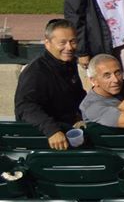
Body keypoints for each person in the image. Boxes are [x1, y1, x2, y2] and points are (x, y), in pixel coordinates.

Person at [14, 20, 85, 149]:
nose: (69, 47)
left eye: (73, 41)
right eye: (62, 43)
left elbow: (78, 95)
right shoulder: (36, 72)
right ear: (47, 43)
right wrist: (52, 130)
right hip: (45, 137)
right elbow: (25, 107)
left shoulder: (68, 63)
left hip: (68, 129)